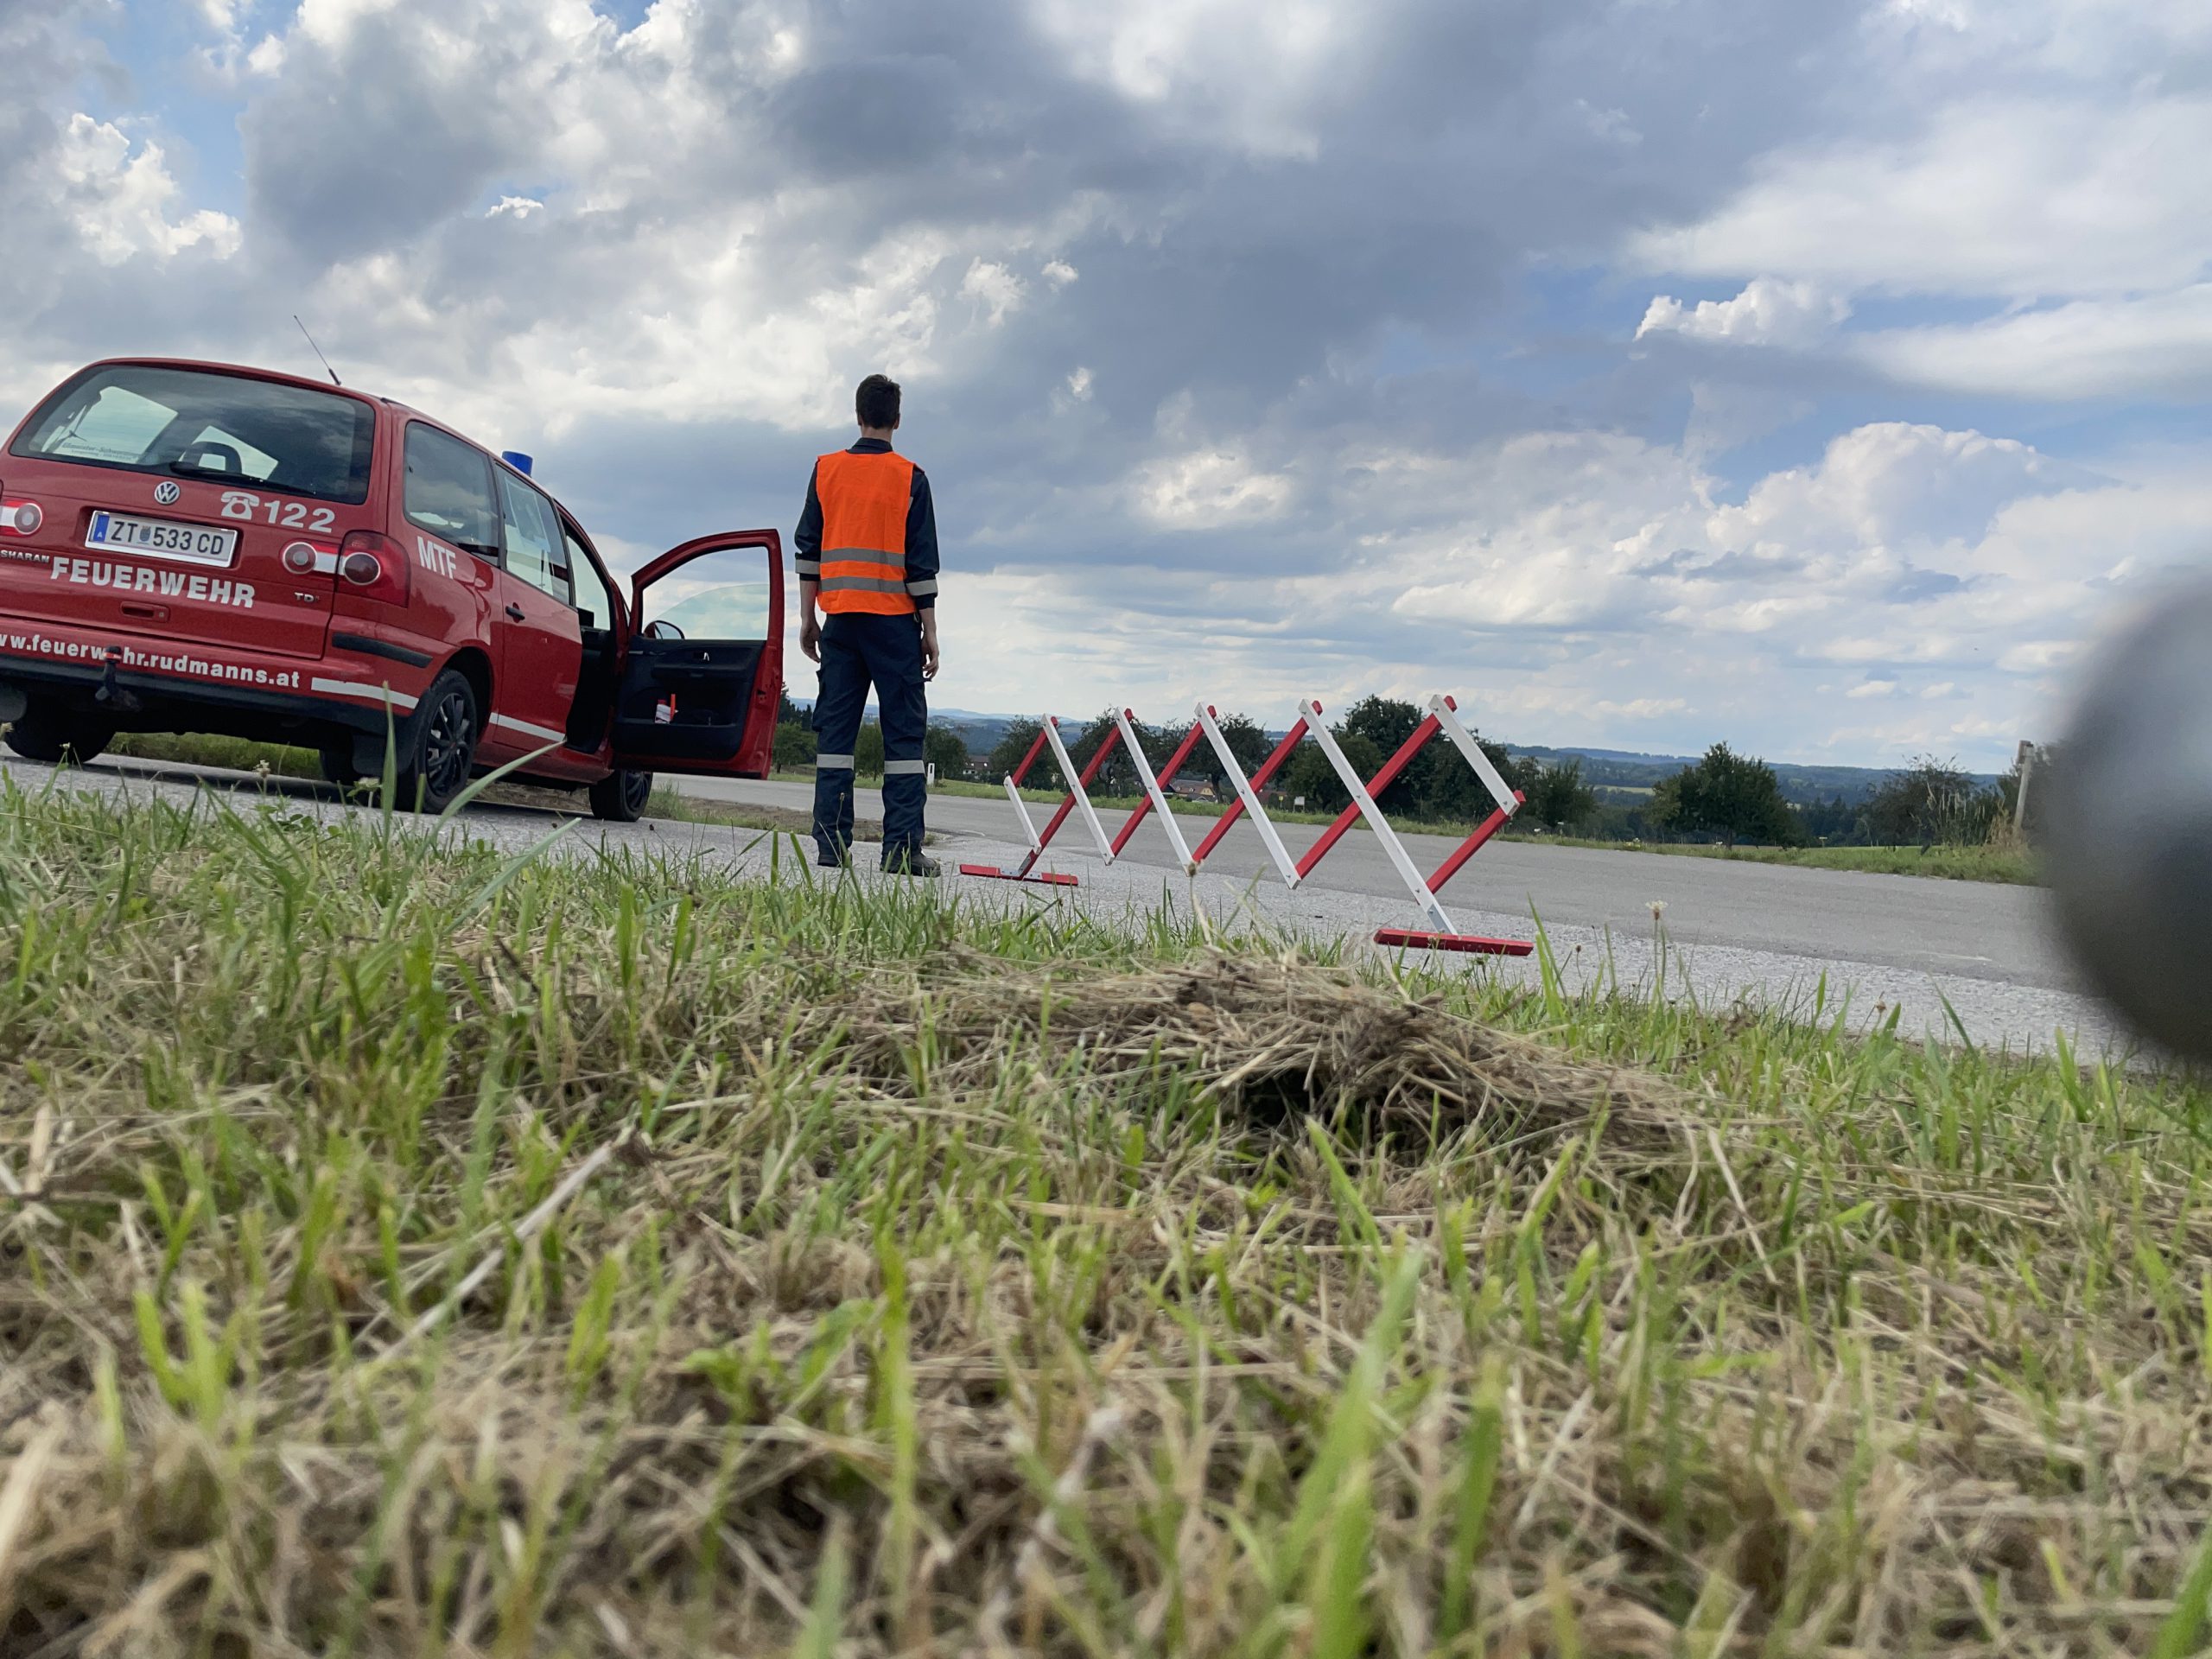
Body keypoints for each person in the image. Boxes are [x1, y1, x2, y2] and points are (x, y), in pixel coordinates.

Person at [795, 372, 943, 874]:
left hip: (841, 622)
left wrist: (807, 617)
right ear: (897, 420)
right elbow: (921, 567)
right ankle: (901, 850)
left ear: (858, 415)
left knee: (835, 735)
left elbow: (808, 552)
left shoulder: (826, 471)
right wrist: (931, 633)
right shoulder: (911, 478)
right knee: (903, 739)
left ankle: (831, 846)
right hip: (895, 626)